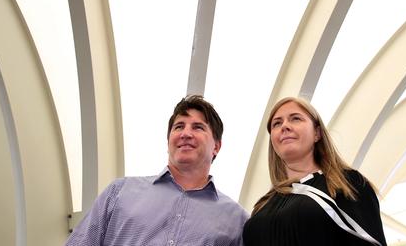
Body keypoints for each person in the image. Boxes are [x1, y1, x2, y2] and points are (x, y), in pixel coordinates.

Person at [66, 95, 248, 246]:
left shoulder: (238, 221)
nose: (185, 134)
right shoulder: (119, 192)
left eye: (198, 127)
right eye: (179, 127)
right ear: (169, 141)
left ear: (216, 146)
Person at [242, 97, 387, 246]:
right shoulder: (264, 204)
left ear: (317, 133)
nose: (284, 126)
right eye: (277, 123)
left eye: (295, 119)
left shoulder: (347, 183)